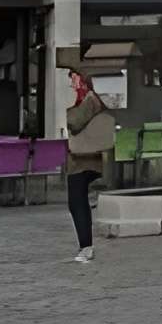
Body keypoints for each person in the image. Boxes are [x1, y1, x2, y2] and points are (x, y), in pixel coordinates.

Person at [62, 62, 115, 264]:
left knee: (77, 200)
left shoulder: (91, 99)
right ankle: (85, 246)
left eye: (74, 79)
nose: (72, 84)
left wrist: (66, 114)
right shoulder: (84, 99)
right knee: (76, 201)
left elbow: (74, 122)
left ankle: (87, 247)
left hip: (86, 159)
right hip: (79, 157)